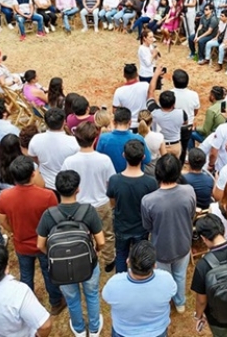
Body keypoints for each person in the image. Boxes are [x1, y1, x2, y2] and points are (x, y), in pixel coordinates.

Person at [36, 170, 105, 337]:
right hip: (88, 263)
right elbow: (101, 241)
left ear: (57, 190)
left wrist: (52, 256)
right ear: (78, 189)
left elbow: (40, 245)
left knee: (72, 298)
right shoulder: (88, 211)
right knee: (92, 294)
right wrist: (95, 251)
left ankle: (79, 329)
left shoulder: (49, 215)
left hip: (61, 267)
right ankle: (94, 328)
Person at [0, 155, 65, 315]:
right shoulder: (47, 196)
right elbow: (56, 221)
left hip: (21, 243)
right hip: (44, 243)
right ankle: (55, 302)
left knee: (26, 275)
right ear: (33, 174)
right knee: (49, 273)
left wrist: (14, 230)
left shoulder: (5, 197)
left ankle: (27, 305)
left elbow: (3, 221)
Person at [141, 154, 196, 313]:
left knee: (163, 278)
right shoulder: (189, 191)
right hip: (183, 243)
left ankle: (164, 302)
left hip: (160, 246)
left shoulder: (148, 200)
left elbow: (147, 225)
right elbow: (191, 214)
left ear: (157, 173)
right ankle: (180, 303)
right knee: (180, 275)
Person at [61, 122, 116, 273]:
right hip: (101, 202)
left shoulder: (69, 161)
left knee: (81, 234)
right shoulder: (104, 160)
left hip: (78, 204)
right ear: (95, 138)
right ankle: (109, 259)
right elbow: (111, 182)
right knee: (107, 233)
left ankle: (84, 257)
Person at [102, 240, 176, 337]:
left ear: (128, 261)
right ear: (154, 265)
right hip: (157, 332)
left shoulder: (114, 283)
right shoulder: (167, 280)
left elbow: (106, 297)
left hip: (123, 333)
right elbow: (172, 293)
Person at [106, 139, 158, 273]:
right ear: (143, 157)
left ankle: (121, 278)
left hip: (121, 225)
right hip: (141, 226)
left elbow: (112, 202)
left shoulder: (114, 180)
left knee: (121, 254)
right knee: (140, 256)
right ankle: (139, 277)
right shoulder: (150, 183)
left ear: (124, 155)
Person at [28, 107, 79, 192]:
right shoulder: (74, 142)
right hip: (67, 185)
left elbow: (34, 158)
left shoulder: (36, 139)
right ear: (64, 122)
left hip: (46, 184)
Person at [97, 107, 151, 173]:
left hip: (111, 179)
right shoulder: (138, 138)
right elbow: (147, 160)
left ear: (114, 122)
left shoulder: (103, 138)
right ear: (130, 122)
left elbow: (98, 160)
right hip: (134, 179)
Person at [112, 63, 149, 129]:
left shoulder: (119, 91)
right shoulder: (146, 86)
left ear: (124, 75)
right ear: (137, 74)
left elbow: (114, 111)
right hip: (143, 124)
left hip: (128, 125)